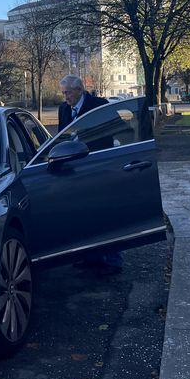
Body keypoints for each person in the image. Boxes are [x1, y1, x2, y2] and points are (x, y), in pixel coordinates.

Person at [57, 74, 121, 275]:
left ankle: (113, 259)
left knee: (106, 213)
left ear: (79, 90)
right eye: (63, 93)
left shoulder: (99, 104)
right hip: (76, 169)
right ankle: (90, 257)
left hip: (98, 165)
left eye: (68, 93)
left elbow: (115, 128)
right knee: (84, 213)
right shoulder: (63, 109)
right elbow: (62, 137)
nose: (65, 97)